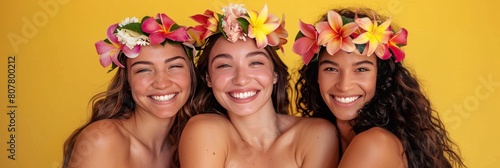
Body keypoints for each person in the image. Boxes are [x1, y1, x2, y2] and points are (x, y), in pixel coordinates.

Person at [293, 8, 466, 168]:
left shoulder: (375, 143)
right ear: (316, 76)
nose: (344, 85)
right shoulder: (325, 141)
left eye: (361, 70)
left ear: (380, 76)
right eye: (331, 69)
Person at [179, 4, 339, 168]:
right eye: (224, 65)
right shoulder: (203, 131)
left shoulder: (318, 135)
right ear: (208, 78)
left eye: (255, 63)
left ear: (275, 73)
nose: (241, 79)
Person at [62, 13, 201, 168]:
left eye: (174, 66)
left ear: (192, 75)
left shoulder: (184, 147)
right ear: (127, 81)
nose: (161, 83)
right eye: (143, 70)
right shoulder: (103, 140)